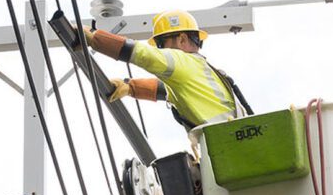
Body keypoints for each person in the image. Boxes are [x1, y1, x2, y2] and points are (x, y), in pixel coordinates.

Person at [79, 10, 253, 131]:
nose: (161, 50)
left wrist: (95, 38)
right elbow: (166, 90)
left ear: (182, 39)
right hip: (235, 142)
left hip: (227, 144)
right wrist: (131, 87)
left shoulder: (183, 60)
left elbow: (144, 54)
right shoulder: (201, 71)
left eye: (162, 44)